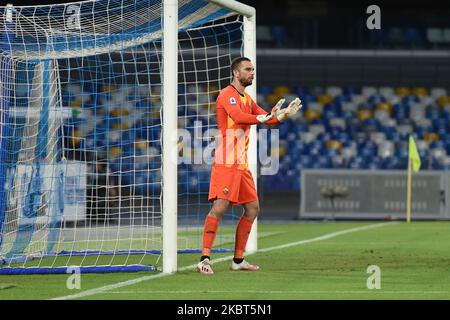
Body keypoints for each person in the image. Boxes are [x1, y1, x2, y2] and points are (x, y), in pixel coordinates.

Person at [197, 57, 302, 274]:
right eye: (247, 69)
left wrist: (283, 116)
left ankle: (237, 260)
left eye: (253, 69)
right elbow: (239, 117)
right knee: (220, 207)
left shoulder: (247, 98)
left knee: (253, 208)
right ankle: (204, 258)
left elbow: (266, 118)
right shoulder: (227, 95)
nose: (252, 73)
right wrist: (265, 118)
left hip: (241, 164)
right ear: (236, 73)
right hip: (226, 161)